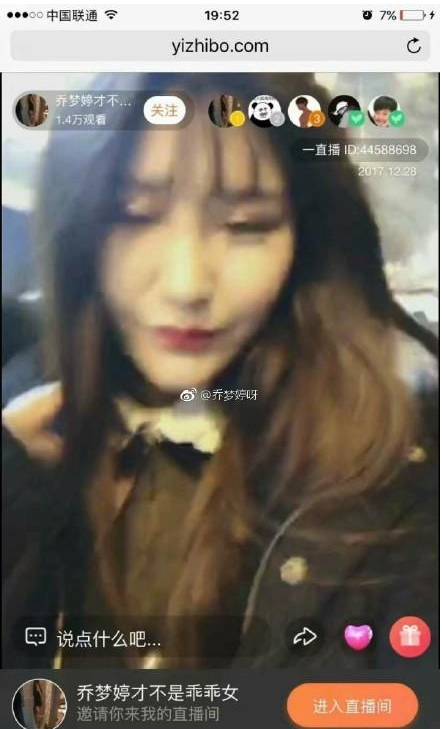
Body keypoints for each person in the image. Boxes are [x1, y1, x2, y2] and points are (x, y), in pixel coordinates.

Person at [2, 73, 438, 669]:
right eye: (134, 215)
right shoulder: (24, 408)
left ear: (308, 239)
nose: (188, 284)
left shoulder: (396, 479)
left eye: (247, 225)